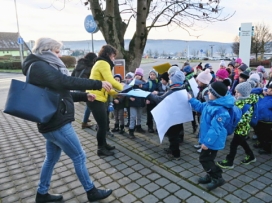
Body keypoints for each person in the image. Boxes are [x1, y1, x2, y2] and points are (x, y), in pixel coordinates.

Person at [22, 38, 113, 203]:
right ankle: (91, 191)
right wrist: (97, 84)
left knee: (51, 159)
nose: (60, 55)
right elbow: (66, 82)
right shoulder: (39, 66)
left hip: (51, 121)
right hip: (56, 123)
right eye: (57, 51)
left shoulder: (42, 65)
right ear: (46, 50)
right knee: (79, 156)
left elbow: (60, 93)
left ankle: (42, 194)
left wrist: (84, 95)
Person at [188, 80, 234, 191]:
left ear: (217, 95)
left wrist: (207, 143)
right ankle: (210, 175)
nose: (208, 93)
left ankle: (217, 178)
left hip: (213, 141)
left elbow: (215, 128)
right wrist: (191, 99)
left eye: (210, 92)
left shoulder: (220, 110)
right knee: (209, 159)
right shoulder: (211, 103)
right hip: (209, 140)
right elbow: (200, 106)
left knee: (204, 159)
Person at [86, 45, 123, 156]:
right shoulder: (103, 63)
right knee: (102, 125)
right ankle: (100, 149)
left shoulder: (101, 63)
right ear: (108, 54)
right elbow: (110, 80)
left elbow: (106, 86)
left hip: (98, 97)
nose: (114, 59)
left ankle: (104, 144)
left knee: (105, 123)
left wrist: (116, 94)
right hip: (95, 98)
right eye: (113, 56)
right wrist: (123, 88)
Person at [217, 81, 259, 169]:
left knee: (233, 145)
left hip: (242, 129)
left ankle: (229, 161)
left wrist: (233, 121)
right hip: (240, 129)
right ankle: (251, 156)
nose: (235, 94)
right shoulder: (240, 101)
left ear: (243, 94)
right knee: (242, 142)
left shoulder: (246, 105)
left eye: (237, 92)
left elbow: (244, 119)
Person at [147, 70, 187, 160]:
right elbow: (165, 94)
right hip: (178, 116)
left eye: (170, 79)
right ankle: (171, 149)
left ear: (173, 80)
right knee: (174, 135)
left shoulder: (173, 90)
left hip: (172, 117)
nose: (169, 80)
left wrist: (149, 94)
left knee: (173, 136)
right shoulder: (181, 87)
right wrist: (159, 93)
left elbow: (159, 99)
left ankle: (175, 154)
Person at [72, 52, 97, 129]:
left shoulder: (78, 65)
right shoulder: (89, 67)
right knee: (89, 105)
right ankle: (84, 123)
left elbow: (72, 76)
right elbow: (91, 79)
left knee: (88, 104)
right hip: (84, 88)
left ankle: (86, 118)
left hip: (77, 87)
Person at [128, 68, 146, 139]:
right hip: (133, 102)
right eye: (136, 75)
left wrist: (143, 87)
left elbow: (146, 90)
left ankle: (138, 127)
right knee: (133, 116)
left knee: (139, 116)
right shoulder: (131, 82)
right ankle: (131, 131)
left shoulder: (143, 83)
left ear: (141, 76)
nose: (138, 76)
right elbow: (126, 90)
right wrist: (129, 97)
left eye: (139, 75)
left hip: (140, 102)